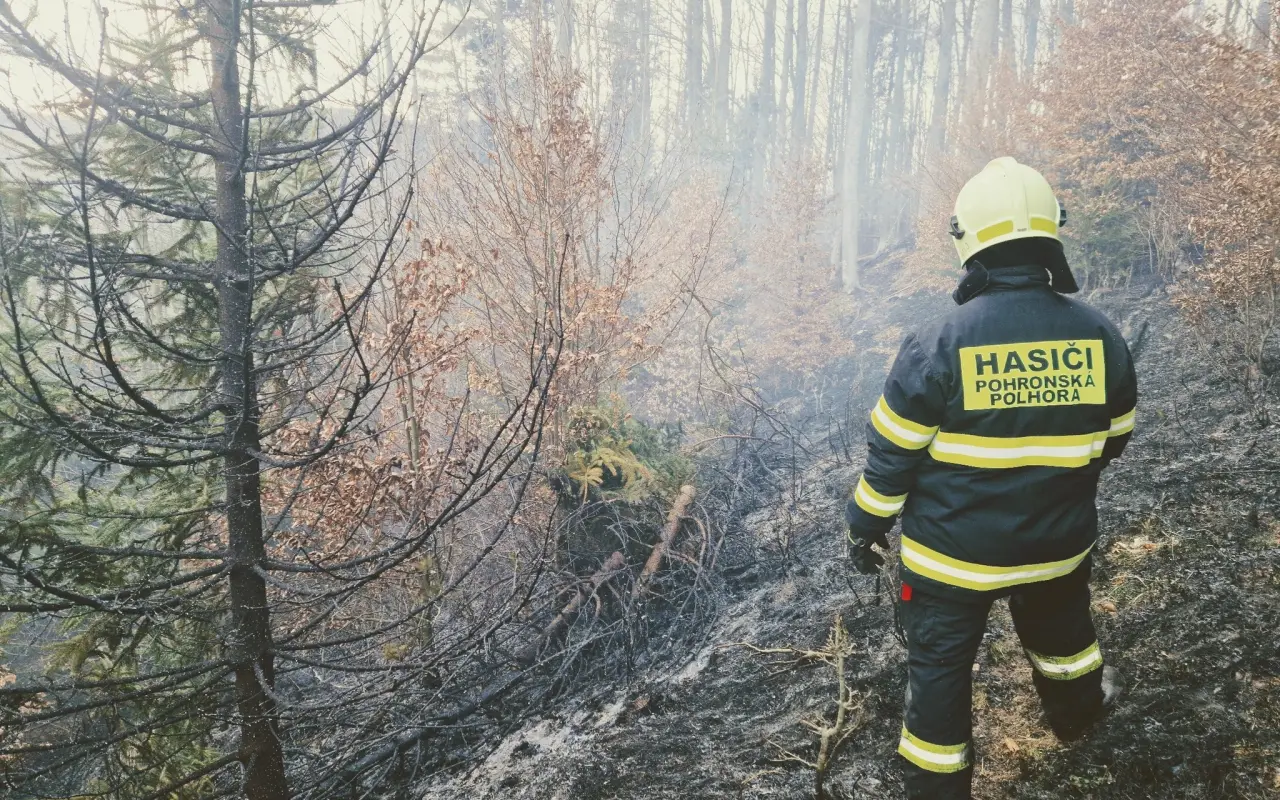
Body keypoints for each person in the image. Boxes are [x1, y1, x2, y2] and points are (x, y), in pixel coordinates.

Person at [845, 157, 1137, 799]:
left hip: (950, 564)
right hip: (1057, 548)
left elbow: (892, 458)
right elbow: (1114, 438)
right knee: (1065, 640)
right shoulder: (1099, 334)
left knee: (939, 675)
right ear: (1051, 234)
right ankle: (1079, 720)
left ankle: (938, 789)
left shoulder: (936, 344)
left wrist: (863, 527)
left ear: (968, 239)